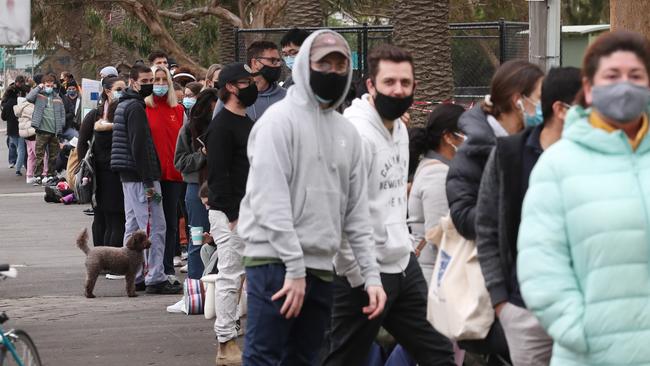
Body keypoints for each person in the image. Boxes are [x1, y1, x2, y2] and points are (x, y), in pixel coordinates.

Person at [238, 29, 386, 365]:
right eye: (324, 63)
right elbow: (269, 200)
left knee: (306, 360)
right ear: (305, 66)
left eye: (340, 64)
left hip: (320, 268)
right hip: (273, 262)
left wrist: (370, 277)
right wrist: (293, 268)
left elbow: (356, 212)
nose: (332, 72)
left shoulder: (347, 132)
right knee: (265, 357)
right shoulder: (277, 122)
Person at [518, 30, 650, 365]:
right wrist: (581, 332)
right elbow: (541, 265)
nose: (625, 85)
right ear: (589, 89)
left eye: (636, 76)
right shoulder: (558, 165)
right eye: (612, 76)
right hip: (592, 355)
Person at [325, 44, 455, 366]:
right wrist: (357, 274)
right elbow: (338, 212)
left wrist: (406, 248)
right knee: (343, 359)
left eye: (405, 83)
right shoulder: (353, 135)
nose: (398, 90)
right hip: (361, 273)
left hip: (402, 263)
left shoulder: (400, 131)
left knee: (438, 352)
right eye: (389, 82)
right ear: (371, 85)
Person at [476, 67, 581, 366]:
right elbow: (486, 225)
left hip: (579, 310)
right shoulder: (510, 153)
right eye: (586, 109)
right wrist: (501, 302)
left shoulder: (590, 156)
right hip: (522, 310)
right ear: (561, 110)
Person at [445, 60, 544, 360]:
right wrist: (509, 216)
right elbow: (462, 215)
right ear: (519, 100)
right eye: (540, 98)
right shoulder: (476, 150)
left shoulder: (532, 144)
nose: (545, 107)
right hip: (491, 285)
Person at [111, 63, 181, 295]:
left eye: (153, 80)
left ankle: (137, 274)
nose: (151, 85)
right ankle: (155, 276)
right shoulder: (136, 108)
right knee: (154, 226)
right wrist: (149, 182)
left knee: (133, 226)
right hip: (141, 177)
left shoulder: (125, 105)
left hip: (129, 177)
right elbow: (139, 147)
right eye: (146, 81)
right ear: (133, 82)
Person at [205, 62, 259, 365]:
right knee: (231, 275)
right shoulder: (222, 126)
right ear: (229, 87)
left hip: (251, 212)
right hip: (232, 214)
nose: (251, 85)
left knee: (247, 275)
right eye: (245, 81)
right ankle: (226, 341)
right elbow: (218, 175)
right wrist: (233, 214)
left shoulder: (246, 122)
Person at [407, 103, 466, 286]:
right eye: (465, 132)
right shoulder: (438, 175)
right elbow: (440, 236)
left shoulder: (432, 166)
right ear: (448, 137)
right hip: (435, 277)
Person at [145, 65, 186, 283]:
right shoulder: (144, 108)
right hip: (152, 175)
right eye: (156, 80)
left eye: (163, 80)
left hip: (174, 176)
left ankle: (167, 267)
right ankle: (150, 267)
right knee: (151, 223)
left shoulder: (178, 110)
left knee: (170, 223)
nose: (160, 84)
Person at [78, 76, 128, 254]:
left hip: (110, 173)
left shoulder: (122, 111)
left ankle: (100, 259)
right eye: (119, 89)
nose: (123, 92)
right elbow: (82, 142)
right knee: (106, 217)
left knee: (108, 217)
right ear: (107, 91)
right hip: (100, 173)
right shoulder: (95, 115)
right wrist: (87, 166)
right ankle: (104, 259)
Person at [174, 88, 219, 280]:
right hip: (196, 190)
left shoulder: (227, 128)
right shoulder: (188, 130)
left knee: (222, 239)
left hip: (222, 187)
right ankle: (195, 287)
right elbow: (180, 162)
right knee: (198, 238)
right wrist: (202, 155)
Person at [213, 41, 287, 122]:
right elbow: (217, 127)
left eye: (278, 60)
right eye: (272, 60)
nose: (277, 65)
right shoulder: (232, 96)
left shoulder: (286, 97)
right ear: (255, 62)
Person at [26, 73, 66, 186]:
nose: (49, 87)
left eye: (51, 85)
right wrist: (38, 87)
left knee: (53, 156)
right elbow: (28, 98)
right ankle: (38, 176)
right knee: (39, 155)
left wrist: (61, 125)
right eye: (47, 85)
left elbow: (62, 113)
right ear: (43, 84)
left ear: (53, 85)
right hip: (41, 130)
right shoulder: (39, 95)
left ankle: (50, 175)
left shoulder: (58, 98)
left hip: (54, 132)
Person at [2, 75, 28, 176]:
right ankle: (18, 167)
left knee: (16, 146)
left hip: (11, 127)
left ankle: (16, 163)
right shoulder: (21, 103)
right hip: (20, 125)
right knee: (21, 148)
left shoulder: (8, 103)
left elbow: (3, 116)